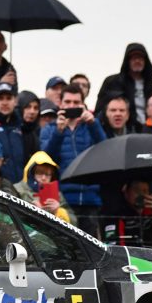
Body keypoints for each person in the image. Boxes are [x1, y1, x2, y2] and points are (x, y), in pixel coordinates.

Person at [40, 84, 107, 237]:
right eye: (68, 102)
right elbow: (46, 160)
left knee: (91, 251)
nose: (71, 106)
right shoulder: (50, 129)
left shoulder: (92, 125)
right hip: (63, 201)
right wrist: (59, 132)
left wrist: (93, 124)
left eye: (76, 103)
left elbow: (105, 150)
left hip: (90, 199)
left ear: (83, 104)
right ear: (61, 104)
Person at [95, 43, 152, 125]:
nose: (137, 61)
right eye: (134, 58)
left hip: (150, 128)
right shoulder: (112, 82)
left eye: (140, 58)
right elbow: (100, 109)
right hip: (123, 130)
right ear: (127, 61)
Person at [101, 180, 152, 248]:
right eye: (137, 191)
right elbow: (115, 247)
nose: (142, 195)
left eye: (145, 191)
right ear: (126, 192)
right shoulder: (117, 216)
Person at [14, 151, 75, 224]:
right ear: (31, 173)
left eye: (48, 174)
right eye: (39, 173)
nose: (43, 178)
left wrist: (58, 211)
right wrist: (30, 210)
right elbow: (8, 216)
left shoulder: (57, 195)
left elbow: (74, 222)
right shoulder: (17, 189)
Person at [17, 91, 41, 163]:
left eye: (36, 108)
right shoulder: (12, 131)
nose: (32, 112)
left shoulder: (35, 133)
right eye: (28, 107)